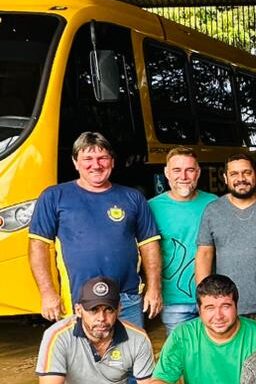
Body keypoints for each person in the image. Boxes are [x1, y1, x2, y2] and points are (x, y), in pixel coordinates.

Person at [28, 131, 162, 328]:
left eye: (102, 158)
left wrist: (154, 288)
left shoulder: (133, 198)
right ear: (75, 162)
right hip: (77, 299)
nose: (96, 165)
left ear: (112, 162)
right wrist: (48, 293)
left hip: (127, 298)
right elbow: (38, 247)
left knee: (130, 355)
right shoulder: (53, 196)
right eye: (87, 158)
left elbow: (149, 245)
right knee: (82, 358)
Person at [196, 152, 256, 325]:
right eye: (234, 174)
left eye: (246, 173)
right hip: (226, 306)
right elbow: (204, 255)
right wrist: (205, 300)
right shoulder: (213, 211)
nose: (241, 178)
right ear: (225, 178)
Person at [148, 147, 217, 334]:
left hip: (214, 299)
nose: (183, 176)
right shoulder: (151, 208)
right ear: (166, 173)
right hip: (173, 301)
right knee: (183, 358)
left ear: (198, 172)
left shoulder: (215, 203)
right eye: (177, 170)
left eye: (190, 170)